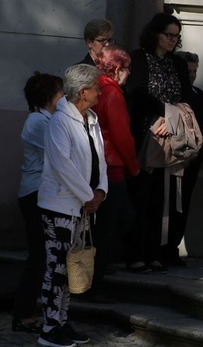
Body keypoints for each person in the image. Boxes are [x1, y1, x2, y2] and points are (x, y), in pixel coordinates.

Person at [37, 64, 108, 347]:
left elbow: (100, 158)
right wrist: (87, 195)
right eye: (97, 88)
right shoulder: (60, 121)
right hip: (60, 207)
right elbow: (62, 165)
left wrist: (101, 189)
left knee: (71, 267)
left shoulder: (90, 118)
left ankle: (62, 322)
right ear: (83, 91)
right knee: (56, 267)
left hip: (81, 206)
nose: (100, 93)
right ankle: (49, 327)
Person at [126, 12, 193, 274]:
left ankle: (155, 253)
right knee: (140, 198)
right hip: (145, 136)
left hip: (170, 137)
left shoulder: (176, 63)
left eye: (176, 37)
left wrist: (172, 118)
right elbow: (138, 92)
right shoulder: (140, 57)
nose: (173, 41)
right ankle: (135, 254)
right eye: (168, 35)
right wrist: (164, 113)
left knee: (161, 200)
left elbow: (187, 96)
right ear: (155, 33)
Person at [83, 45, 139, 301]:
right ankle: (93, 285)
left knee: (104, 226)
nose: (128, 74)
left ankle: (91, 278)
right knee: (112, 225)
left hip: (94, 164)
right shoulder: (112, 93)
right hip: (112, 167)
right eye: (126, 69)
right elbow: (121, 136)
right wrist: (134, 165)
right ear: (118, 69)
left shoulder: (94, 88)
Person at [12, 72, 63, 334]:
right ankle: (24, 314)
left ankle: (30, 311)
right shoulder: (37, 122)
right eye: (59, 92)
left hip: (41, 193)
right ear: (48, 97)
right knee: (38, 256)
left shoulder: (46, 119)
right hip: (35, 194)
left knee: (42, 255)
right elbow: (60, 151)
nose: (63, 97)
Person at [164, 50, 203, 266]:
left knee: (184, 204)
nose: (191, 75)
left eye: (194, 71)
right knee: (169, 205)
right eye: (187, 71)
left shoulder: (199, 95)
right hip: (172, 159)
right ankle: (163, 248)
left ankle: (173, 247)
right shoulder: (173, 97)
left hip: (193, 160)